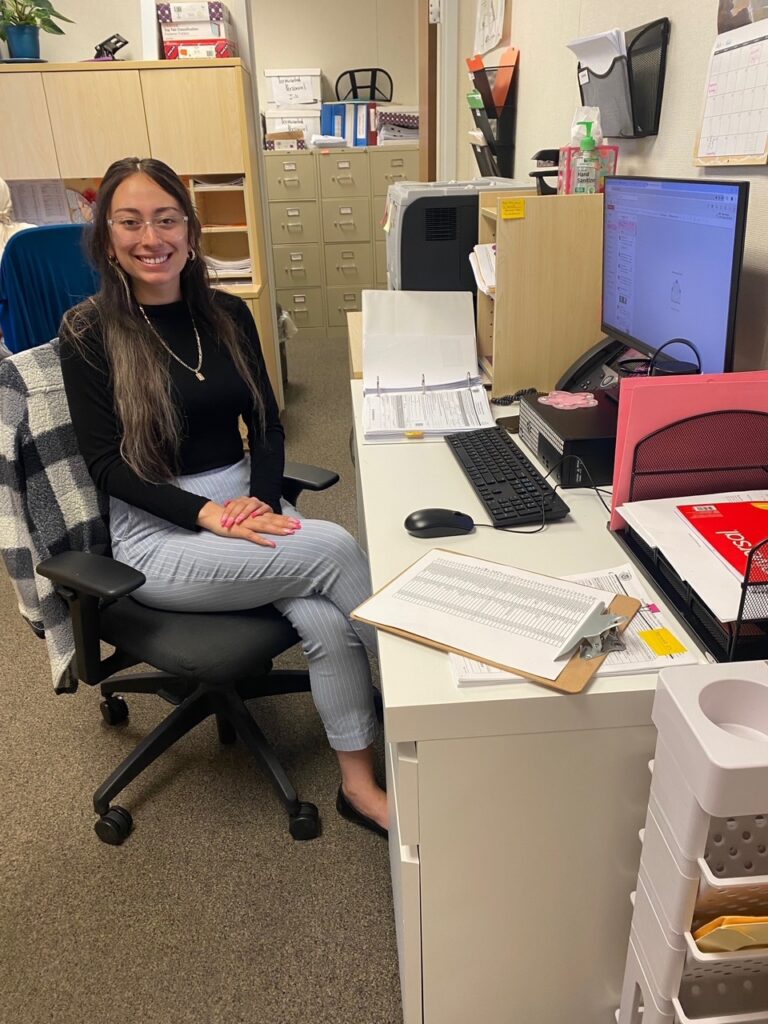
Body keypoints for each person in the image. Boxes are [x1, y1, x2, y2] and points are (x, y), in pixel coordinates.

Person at [59, 157, 387, 836]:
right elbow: (106, 467)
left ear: (190, 228)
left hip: (244, 500)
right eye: (130, 221)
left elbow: (266, 425)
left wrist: (261, 501)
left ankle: (359, 785)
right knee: (334, 546)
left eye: (166, 218)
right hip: (159, 529)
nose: (151, 237)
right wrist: (205, 514)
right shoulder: (88, 333)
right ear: (105, 234)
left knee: (326, 624)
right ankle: (425, 708)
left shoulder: (229, 312)